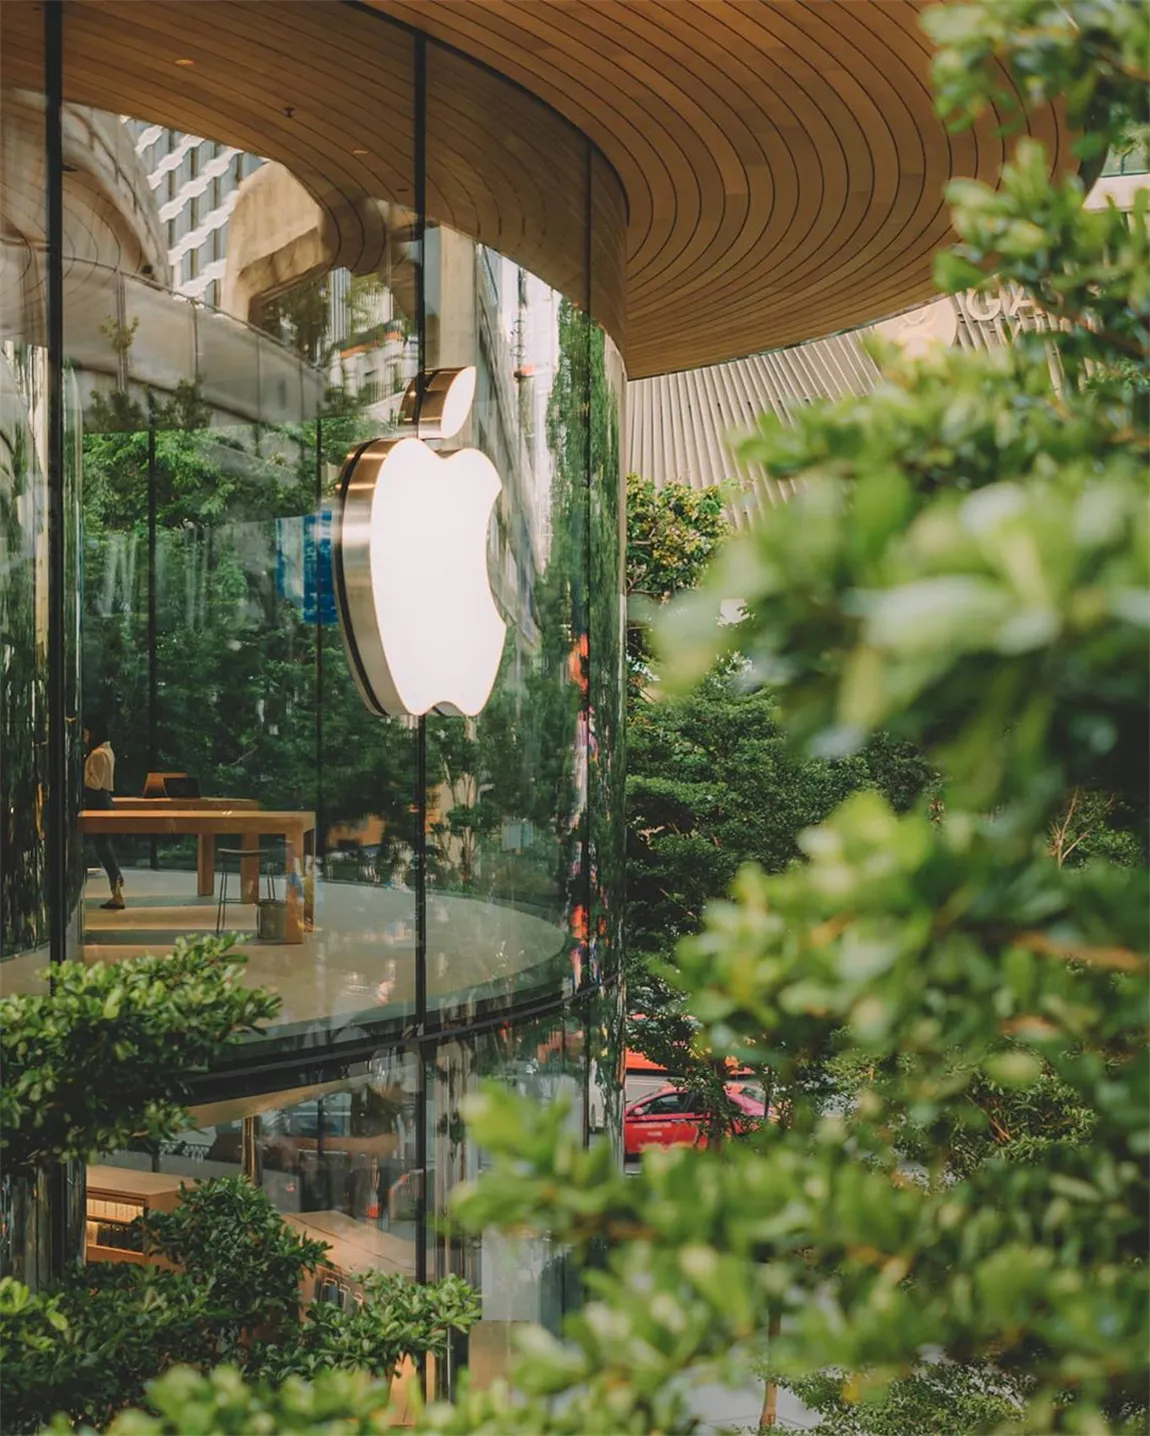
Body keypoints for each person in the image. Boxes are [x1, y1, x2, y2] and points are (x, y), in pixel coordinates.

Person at [83, 716, 124, 909]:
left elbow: (95, 783)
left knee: (103, 848)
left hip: (97, 801)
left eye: (86, 733)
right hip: (103, 800)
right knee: (103, 847)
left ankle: (116, 887)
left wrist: (80, 775)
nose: (85, 738)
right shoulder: (107, 751)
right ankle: (116, 888)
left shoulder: (98, 754)